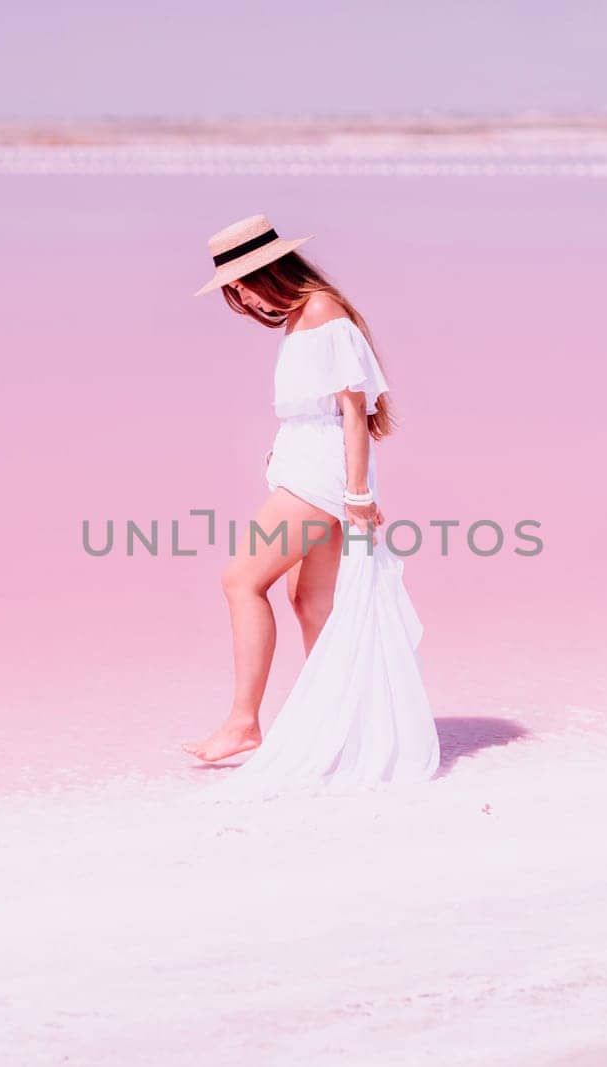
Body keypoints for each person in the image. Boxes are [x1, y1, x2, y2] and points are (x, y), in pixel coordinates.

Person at [183, 213, 440, 798]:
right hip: (305, 467)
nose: (241, 296)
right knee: (309, 601)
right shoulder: (299, 321)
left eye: (242, 283)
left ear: (270, 269)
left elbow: (354, 410)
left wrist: (357, 494)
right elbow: (317, 407)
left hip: (322, 477)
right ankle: (340, 725)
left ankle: (243, 723)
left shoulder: (323, 312)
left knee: (240, 580)